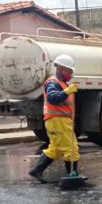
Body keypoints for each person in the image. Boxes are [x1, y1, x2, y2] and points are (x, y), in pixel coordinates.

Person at [29, 54, 81, 182]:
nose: (71, 74)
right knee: (71, 147)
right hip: (58, 120)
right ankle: (72, 176)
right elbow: (52, 98)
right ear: (62, 69)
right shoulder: (53, 82)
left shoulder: (61, 83)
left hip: (59, 121)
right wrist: (67, 91)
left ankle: (36, 170)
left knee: (56, 148)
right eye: (69, 71)